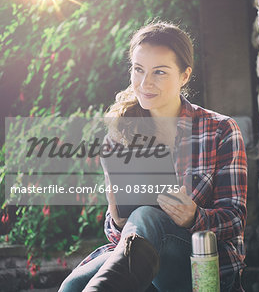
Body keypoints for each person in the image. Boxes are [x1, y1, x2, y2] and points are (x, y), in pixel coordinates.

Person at [58, 22, 247, 292]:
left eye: (159, 72)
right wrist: (118, 218)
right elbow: (118, 237)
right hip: (140, 260)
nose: (144, 83)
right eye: (138, 70)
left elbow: (236, 219)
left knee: (147, 216)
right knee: (72, 286)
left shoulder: (220, 130)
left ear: (184, 76)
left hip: (198, 264)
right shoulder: (121, 134)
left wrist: (194, 217)